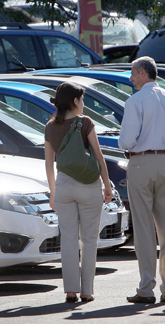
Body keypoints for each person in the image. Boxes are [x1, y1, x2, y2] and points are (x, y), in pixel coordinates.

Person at [118, 56, 165, 304]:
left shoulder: (135, 100)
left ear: (142, 73)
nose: (131, 78)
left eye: (133, 73)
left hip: (141, 163)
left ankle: (146, 288)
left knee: (144, 229)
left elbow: (126, 140)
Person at [45, 81, 113, 303]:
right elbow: (99, 156)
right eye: (82, 99)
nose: (83, 103)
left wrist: (53, 192)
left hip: (63, 185)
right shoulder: (85, 123)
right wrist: (108, 185)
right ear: (75, 101)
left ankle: (71, 291)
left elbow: (49, 163)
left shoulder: (50, 126)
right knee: (89, 240)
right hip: (88, 185)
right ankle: (87, 291)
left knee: (68, 238)